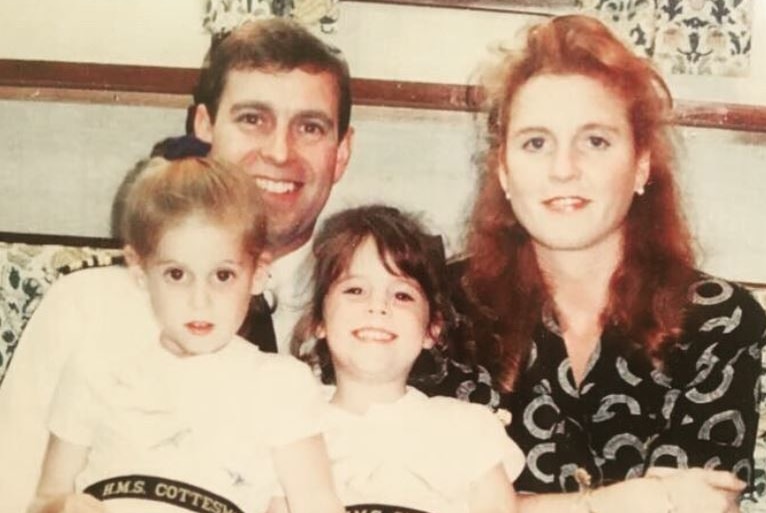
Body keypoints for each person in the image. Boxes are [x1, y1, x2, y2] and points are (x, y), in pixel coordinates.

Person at [0, 18, 353, 512]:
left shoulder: (375, 321)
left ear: (342, 153)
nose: (278, 152)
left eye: (310, 127)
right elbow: (16, 491)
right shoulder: (85, 308)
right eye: (253, 118)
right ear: (203, 126)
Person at [459, 14, 766, 513]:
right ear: (504, 170)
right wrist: (641, 498)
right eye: (536, 142)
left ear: (641, 164)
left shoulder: (719, 321)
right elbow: (421, 498)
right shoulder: (441, 307)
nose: (564, 168)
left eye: (595, 141)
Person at [27, 157, 342, 513]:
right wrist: (64, 508)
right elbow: (45, 498)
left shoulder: (279, 384)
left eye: (222, 276)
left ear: (257, 274)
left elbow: (317, 505)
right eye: (177, 275)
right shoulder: (98, 368)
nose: (199, 300)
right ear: (140, 272)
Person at [279, 205, 522, 513]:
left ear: (431, 329)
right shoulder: (290, 426)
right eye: (355, 290)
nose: (378, 306)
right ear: (318, 320)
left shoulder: (466, 429)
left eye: (402, 295)